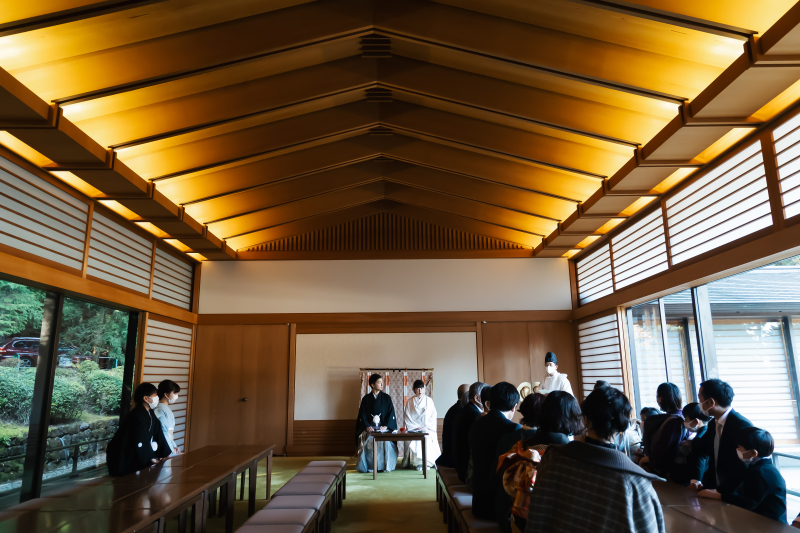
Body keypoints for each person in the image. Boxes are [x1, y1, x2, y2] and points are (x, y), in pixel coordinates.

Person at [525, 386, 665, 533]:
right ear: (623, 425)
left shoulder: (553, 459)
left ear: (585, 419)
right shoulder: (637, 483)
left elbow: (536, 518)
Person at [698, 427, 787, 523]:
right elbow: (736, 481)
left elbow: (748, 502)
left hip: (770, 524)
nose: (737, 450)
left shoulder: (760, 472)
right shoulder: (760, 467)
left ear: (753, 453)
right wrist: (714, 490)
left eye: (740, 447)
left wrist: (719, 496)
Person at [690, 379, 753, 496]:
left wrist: (722, 494)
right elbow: (701, 450)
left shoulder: (742, 426)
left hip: (733, 495)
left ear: (711, 402)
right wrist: (696, 480)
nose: (699, 404)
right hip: (712, 489)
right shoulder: (712, 424)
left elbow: (744, 467)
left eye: (700, 399)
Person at [468, 382, 521, 520]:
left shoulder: (477, 424)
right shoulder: (513, 429)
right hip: (499, 505)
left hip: (478, 499)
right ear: (514, 407)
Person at [106, 382, 172, 477]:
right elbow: (140, 440)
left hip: (137, 452)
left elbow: (158, 433)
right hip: (124, 453)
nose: (157, 398)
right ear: (146, 398)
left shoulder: (150, 413)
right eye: (155, 396)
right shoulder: (137, 415)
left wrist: (166, 453)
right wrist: (151, 458)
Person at [355, 374, 398, 473]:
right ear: (372, 384)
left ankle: (384, 465)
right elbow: (362, 415)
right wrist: (367, 426)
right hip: (370, 428)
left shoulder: (387, 398)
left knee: (385, 441)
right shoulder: (366, 399)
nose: (382, 384)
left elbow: (391, 414)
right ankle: (371, 465)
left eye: (382, 382)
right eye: (379, 382)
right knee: (369, 440)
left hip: (383, 428)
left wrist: (386, 426)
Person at [640, 383, 685, 477]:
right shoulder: (682, 416)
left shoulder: (673, 421)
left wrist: (644, 459)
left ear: (662, 398)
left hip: (669, 472)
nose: (657, 400)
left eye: (657, 396)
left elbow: (662, 452)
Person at [401, 380, 441, 469]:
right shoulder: (410, 401)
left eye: (422, 388)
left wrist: (426, 427)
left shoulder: (429, 400)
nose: (420, 391)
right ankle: (419, 463)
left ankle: (428, 462)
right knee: (417, 439)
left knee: (427, 437)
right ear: (414, 389)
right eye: (418, 388)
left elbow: (433, 415)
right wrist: (416, 428)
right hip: (414, 429)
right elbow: (407, 416)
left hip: (427, 428)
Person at [454, 381, 488, 483]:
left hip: (460, 466)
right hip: (467, 471)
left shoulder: (466, 410)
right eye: (486, 396)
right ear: (477, 398)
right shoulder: (475, 415)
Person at [670, 402, 710, 485]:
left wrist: (695, 482)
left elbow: (698, 462)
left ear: (696, 421)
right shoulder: (707, 432)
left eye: (686, 418)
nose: (684, 422)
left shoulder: (698, 439)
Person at [436, 383, 469, 468]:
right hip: (454, 458)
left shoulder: (452, 409)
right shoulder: (462, 412)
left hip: (448, 455)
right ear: (467, 395)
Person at [153, 380, 181, 456]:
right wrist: (170, 450)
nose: (176, 395)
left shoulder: (165, 408)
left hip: (169, 446)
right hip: (163, 449)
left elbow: (170, 432)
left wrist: (174, 445)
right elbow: (164, 432)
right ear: (166, 394)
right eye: (175, 393)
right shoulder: (159, 410)